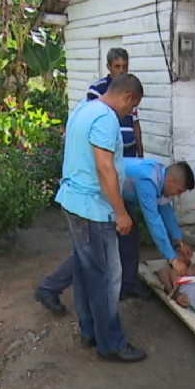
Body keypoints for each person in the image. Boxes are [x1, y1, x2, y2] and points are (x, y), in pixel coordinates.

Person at [53, 73, 146, 362]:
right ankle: (112, 344)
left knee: (85, 270)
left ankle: (90, 330)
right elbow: (105, 168)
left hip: (72, 201)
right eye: (132, 108)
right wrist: (121, 212)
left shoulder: (83, 108)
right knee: (107, 279)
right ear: (128, 97)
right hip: (93, 209)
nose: (130, 114)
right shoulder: (106, 118)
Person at [35, 158, 195, 312]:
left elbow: (166, 210)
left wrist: (179, 241)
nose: (178, 195)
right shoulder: (148, 180)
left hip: (117, 198)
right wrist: (172, 259)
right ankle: (48, 288)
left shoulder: (160, 175)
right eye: (179, 191)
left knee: (131, 236)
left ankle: (128, 283)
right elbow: (154, 221)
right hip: (97, 197)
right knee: (91, 251)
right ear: (172, 181)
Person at [87, 48, 144, 158]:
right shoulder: (97, 89)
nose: (121, 71)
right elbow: (93, 122)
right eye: (117, 66)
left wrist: (140, 152)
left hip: (129, 150)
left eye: (125, 66)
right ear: (109, 67)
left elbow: (135, 122)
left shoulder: (131, 89)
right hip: (108, 150)